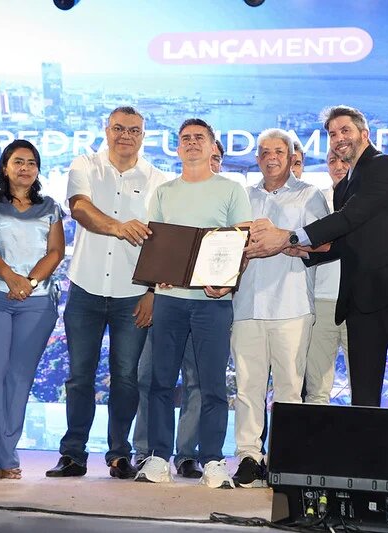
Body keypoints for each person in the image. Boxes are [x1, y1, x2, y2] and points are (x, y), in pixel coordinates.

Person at [246, 105, 388, 412]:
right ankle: (366, 459)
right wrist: (301, 250)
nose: (338, 138)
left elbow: (350, 218)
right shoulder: (346, 183)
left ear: (365, 133)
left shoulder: (382, 165)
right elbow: (343, 241)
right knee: (363, 391)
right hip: (361, 299)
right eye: (332, 134)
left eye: (345, 130)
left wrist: (288, 237)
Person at [46, 106, 166, 479]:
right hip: (86, 287)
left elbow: (161, 243)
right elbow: (80, 209)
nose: (125, 135)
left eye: (134, 130)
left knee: (126, 377)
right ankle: (73, 454)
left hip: (133, 292)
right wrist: (116, 227)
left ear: (143, 136)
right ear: (107, 129)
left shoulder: (159, 180)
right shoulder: (84, 165)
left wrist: (151, 292)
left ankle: (119, 454)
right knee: (79, 376)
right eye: (119, 128)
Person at [135, 118, 251, 489]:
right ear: (178, 147)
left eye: (199, 138)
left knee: (213, 385)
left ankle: (213, 459)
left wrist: (225, 284)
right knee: (160, 382)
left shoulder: (231, 190)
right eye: (185, 139)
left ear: (212, 145)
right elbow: (158, 244)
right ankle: (156, 456)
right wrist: (159, 275)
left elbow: (241, 246)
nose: (192, 143)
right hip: (170, 300)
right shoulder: (165, 192)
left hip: (212, 302)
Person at [0, 140, 65, 479]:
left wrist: (30, 283)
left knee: (19, 379)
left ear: (37, 170)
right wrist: (10, 277)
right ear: (5, 166)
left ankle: (6, 457)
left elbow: (55, 252)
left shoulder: (50, 207)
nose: (25, 167)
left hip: (37, 302)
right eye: (18, 161)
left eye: (31, 162)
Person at [231, 129, 329, 487]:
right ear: (257, 158)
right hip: (246, 304)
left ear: (291, 157)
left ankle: (284, 459)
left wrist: (281, 238)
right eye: (264, 152)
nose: (271, 157)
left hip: (292, 304)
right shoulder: (242, 196)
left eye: (279, 151)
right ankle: (248, 457)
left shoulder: (309, 194)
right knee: (247, 387)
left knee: (290, 388)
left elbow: (324, 243)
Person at [304, 149, 350, 404]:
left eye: (343, 160)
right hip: (321, 300)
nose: (339, 165)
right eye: (332, 160)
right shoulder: (316, 200)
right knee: (317, 388)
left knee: (364, 386)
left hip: (358, 302)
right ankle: (315, 444)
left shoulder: (369, 200)